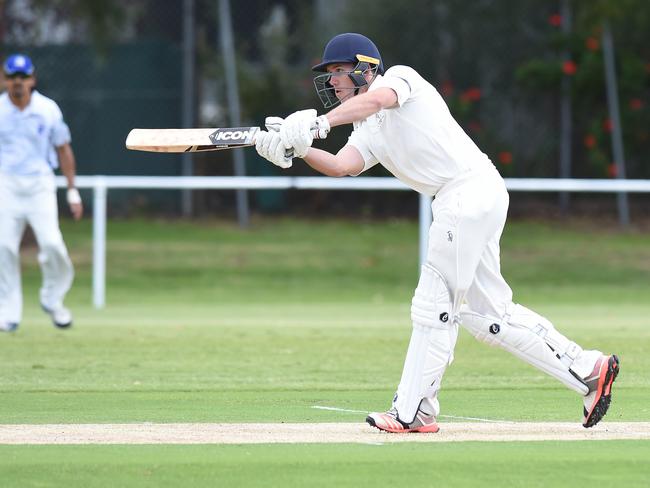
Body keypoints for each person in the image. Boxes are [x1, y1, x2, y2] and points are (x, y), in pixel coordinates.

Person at [255, 33, 620, 432]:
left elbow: (379, 99)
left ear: (366, 68)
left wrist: (320, 122)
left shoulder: (400, 79)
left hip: (467, 191)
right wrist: (295, 149)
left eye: (340, 72)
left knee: (434, 303)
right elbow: (343, 164)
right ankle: (587, 369)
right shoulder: (365, 126)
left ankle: (413, 411)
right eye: (330, 76)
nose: (334, 82)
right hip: (464, 198)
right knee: (488, 316)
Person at [0, 53, 83, 332]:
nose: (18, 83)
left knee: (52, 244)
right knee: (4, 247)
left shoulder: (49, 110)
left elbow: (63, 149)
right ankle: (8, 311)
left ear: (32, 79)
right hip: (7, 184)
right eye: (12, 77)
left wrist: (72, 191)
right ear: (4, 80)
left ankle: (53, 299)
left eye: (23, 77)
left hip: (40, 185)